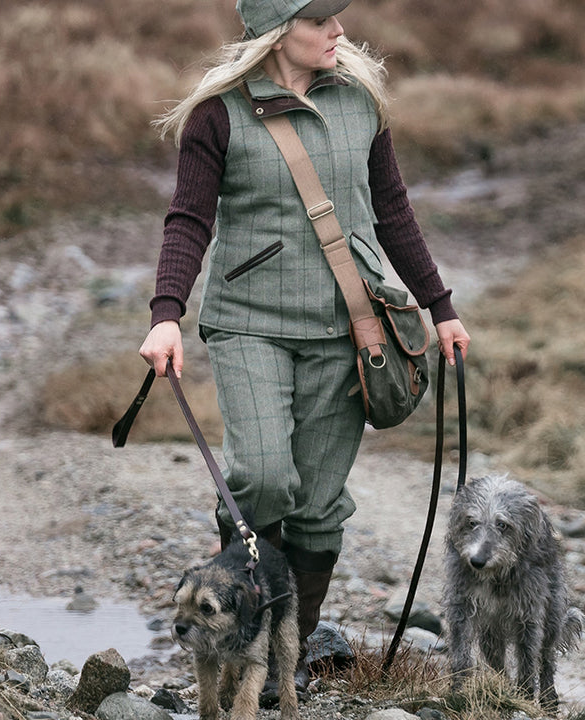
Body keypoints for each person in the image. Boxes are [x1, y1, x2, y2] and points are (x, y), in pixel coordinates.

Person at [139, 0, 470, 689]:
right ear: (276, 29)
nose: (338, 31)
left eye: (336, 18)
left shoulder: (360, 104)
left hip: (350, 330)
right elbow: (188, 219)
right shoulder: (218, 115)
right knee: (264, 476)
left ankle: (278, 660)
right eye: (320, 19)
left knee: (318, 506)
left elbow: (394, 209)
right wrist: (166, 313)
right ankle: (236, 633)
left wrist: (440, 307)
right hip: (248, 324)